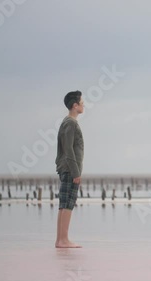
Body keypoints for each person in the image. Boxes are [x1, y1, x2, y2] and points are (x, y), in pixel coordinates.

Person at [55, 90, 84, 248]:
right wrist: (75, 172)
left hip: (66, 167)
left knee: (64, 203)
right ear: (75, 105)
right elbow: (68, 149)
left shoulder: (67, 122)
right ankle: (63, 240)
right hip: (69, 168)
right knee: (68, 203)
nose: (83, 105)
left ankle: (60, 239)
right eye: (81, 102)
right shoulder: (70, 123)